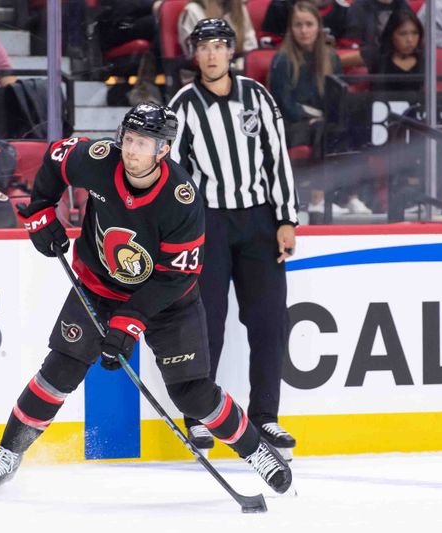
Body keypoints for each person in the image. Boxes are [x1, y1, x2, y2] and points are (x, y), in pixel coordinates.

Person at [0, 102, 293, 495]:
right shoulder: (98, 159)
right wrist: (40, 212)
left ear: (164, 150)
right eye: (130, 138)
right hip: (98, 287)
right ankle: (7, 454)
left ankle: (255, 451)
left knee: (191, 394)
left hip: (168, 302)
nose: (132, 149)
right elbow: (56, 160)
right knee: (61, 369)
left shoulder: (182, 197)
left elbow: (177, 275)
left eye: (144, 143)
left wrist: (130, 320)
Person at [168, 19, 299, 458]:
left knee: (268, 321)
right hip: (209, 224)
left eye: (219, 46)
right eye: (203, 46)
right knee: (208, 322)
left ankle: (266, 416)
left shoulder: (257, 97)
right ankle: (200, 415)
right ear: (195, 53)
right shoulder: (183, 104)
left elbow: (277, 159)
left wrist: (286, 219)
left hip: (260, 221)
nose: (211, 54)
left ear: (231, 51)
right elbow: (174, 174)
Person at [268, 1, 371, 217]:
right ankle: (318, 198)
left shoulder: (331, 57)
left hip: (322, 121)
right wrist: (311, 118)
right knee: (323, 129)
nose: (304, 30)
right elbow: (283, 104)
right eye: (298, 25)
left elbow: (336, 95)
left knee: (350, 127)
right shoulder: (282, 59)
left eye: (308, 24)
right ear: (291, 28)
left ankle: (352, 197)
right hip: (291, 126)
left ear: (318, 26)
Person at [179, 0, 258, 69]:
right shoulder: (193, 10)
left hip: (238, 65)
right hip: (207, 72)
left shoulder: (238, 7)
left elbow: (251, 44)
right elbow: (196, 54)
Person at [363, 9, 424, 93]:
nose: (410, 40)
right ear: (391, 35)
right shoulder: (379, 60)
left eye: (415, 33)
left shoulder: (426, 62)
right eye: (403, 34)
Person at [262, 0, 351, 46]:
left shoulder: (345, 10)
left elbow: (347, 50)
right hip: (288, 65)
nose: (304, 30)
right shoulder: (280, 6)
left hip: (330, 68)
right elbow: (268, 50)